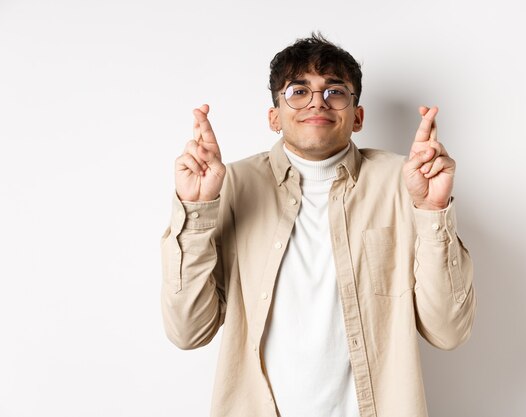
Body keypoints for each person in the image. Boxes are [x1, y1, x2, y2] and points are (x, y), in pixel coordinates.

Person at [161, 33, 476, 417]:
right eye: (298, 91)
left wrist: (431, 209)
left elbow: (449, 331)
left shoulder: (404, 182)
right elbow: (188, 332)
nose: (317, 102)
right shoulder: (230, 185)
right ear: (274, 116)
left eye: (335, 91)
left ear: (357, 117)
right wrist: (197, 208)